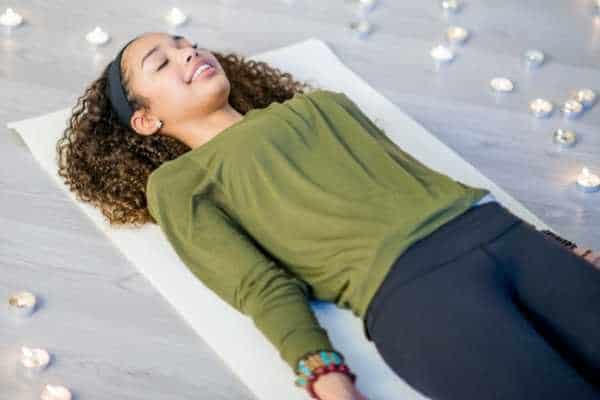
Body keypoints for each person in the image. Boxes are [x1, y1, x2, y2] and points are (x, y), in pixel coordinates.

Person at [56, 31, 600, 400]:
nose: (189, 54)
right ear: (147, 121)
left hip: (506, 240)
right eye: (163, 62)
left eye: (186, 44)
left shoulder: (324, 107)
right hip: (418, 297)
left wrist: (564, 248)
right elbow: (259, 287)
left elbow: (435, 182)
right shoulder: (178, 183)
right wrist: (323, 373)